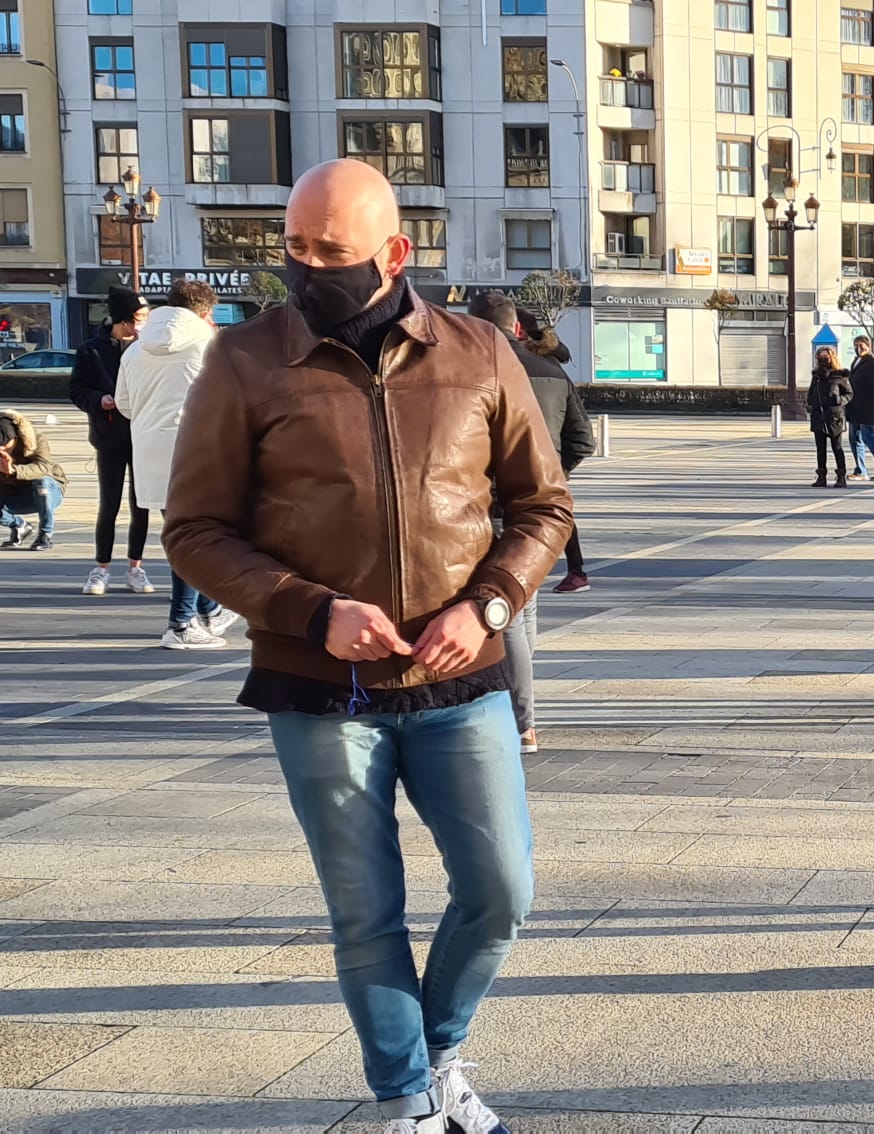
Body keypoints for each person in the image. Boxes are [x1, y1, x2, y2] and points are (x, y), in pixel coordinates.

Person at [163, 159, 571, 1134]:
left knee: (501, 891)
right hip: (318, 691)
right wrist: (310, 611)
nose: (306, 267)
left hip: (459, 680)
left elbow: (543, 505)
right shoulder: (245, 360)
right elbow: (195, 531)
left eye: (329, 251)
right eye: (294, 247)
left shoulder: (477, 353)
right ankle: (406, 1102)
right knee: (366, 915)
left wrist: (490, 607)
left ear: (395, 253)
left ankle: (436, 1057)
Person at [469, 290, 596, 753]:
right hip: (540, 512)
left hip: (494, 511)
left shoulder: (477, 372)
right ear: (517, 328)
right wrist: (551, 477)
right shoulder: (552, 371)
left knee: (508, 617)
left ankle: (522, 721)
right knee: (527, 609)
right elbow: (582, 441)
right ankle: (520, 707)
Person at [116, 277, 240, 650]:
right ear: (205, 312)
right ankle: (183, 622)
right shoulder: (209, 345)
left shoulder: (134, 350)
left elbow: (124, 403)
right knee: (197, 540)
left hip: (151, 454)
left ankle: (209, 609)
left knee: (183, 533)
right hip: (195, 451)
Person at [68, 285, 156, 596]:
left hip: (144, 436)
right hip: (108, 438)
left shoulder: (149, 349)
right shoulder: (91, 350)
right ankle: (101, 568)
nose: (144, 322)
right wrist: (98, 399)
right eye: (140, 317)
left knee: (141, 505)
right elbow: (76, 390)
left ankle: (136, 568)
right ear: (124, 319)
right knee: (109, 505)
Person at [523, 322, 594, 594]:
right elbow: (583, 438)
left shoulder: (506, 367)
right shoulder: (557, 372)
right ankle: (577, 572)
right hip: (550, 465)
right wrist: (561, 468)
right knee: (558, 514)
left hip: (507, 464)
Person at [0, 409, 64, 549]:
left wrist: (14, 470)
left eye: (6, 444)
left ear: (15, 438)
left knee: (41, 482)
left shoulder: (35, 439)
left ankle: (45, 533)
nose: (2, 448)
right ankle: (19, 526)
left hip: (49, 492)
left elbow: (43, 467)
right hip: (14, 493)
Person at [808, 345, 853, 488]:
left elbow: (849, 394)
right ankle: (821, 476)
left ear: (831, 358)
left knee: (837, 447)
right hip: (819, 415)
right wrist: (812, 402)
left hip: (834, 416)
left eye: (825, 357)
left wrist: (839, 401)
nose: (822, 360)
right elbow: (810, 394)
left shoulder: (839, 376)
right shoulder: (816, 377)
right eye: (820, 358)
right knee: (820, 448)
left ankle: (841, 476)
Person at [845, 334, 874, 482]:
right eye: (856, 345)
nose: (858, 348)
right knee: (854, 439)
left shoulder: (872, 362)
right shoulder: (856, 361)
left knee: (869, 438)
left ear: (868, 346)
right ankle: (860, 470)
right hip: (854, 407)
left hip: (867, 407)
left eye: (861, 345)